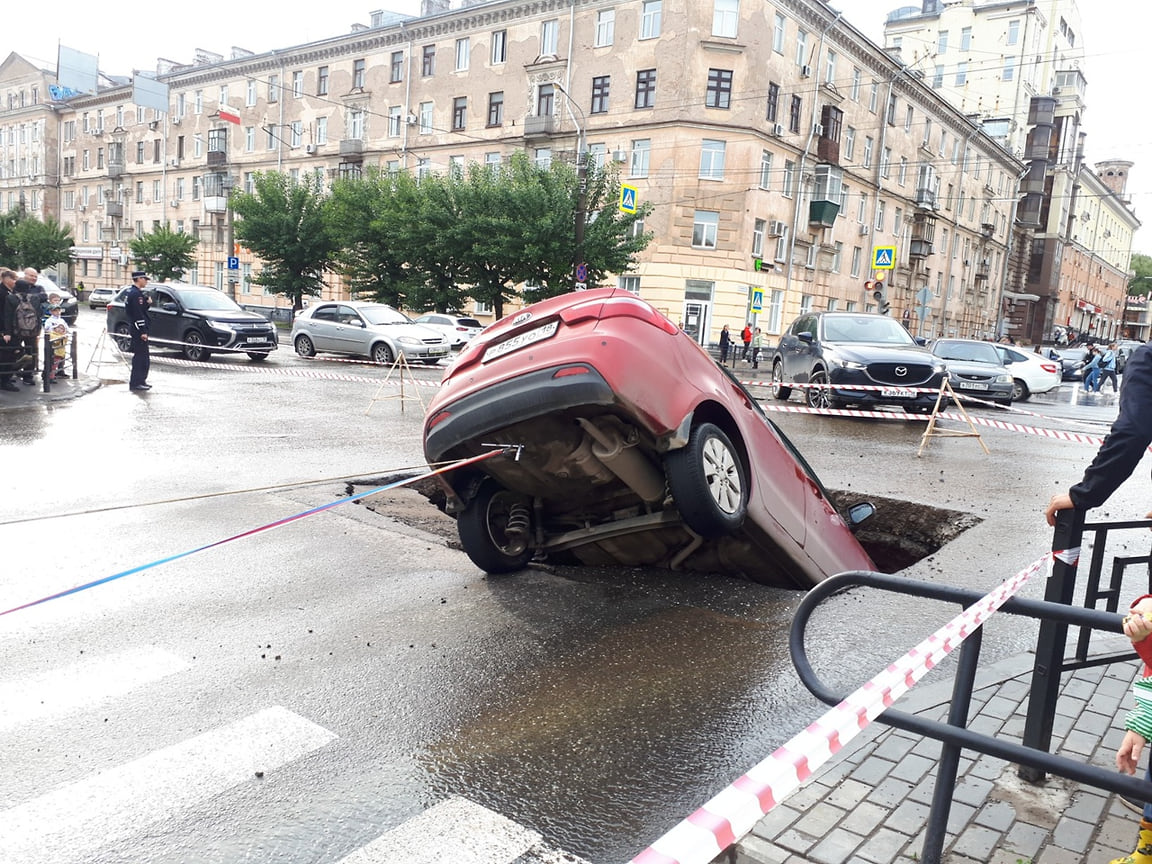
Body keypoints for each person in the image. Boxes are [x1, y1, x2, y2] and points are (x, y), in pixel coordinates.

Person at [11, 277, 45, 385]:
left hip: (16, 330)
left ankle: (12, 371)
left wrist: (8, 331)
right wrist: (37, 329)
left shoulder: (11, 298)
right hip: (31, 331)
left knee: (14, 350)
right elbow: (39, 314)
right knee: (32, 352)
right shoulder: (34, 298)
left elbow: (8, 316)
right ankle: (28, 376)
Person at [125, 270, 152, 391]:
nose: (146, 281)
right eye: (145, 279)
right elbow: (137, 314)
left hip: (137, 328)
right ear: (139, 279)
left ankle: (140, 381)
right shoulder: (136, 294)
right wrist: (142, 331)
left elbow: (141, 309)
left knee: (143, 357)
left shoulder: (133, 292)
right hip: (138, 329)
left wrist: (147, 303)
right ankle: (136, 382)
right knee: (140, 357)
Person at [0, 268, 23, 391]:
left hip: (10, 329)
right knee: (7, 355)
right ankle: (4, 380)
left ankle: (6, 377)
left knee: (12, 354)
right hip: (5, 331)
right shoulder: (2, 293)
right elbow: (3, 314)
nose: (15, 281)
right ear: (6, 279)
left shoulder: (10, 292)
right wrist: (4, 331)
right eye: (14, 279)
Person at [42, 298, 69, 380]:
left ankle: (60, 371)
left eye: (58, 310)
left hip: (61, 342)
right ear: (51, 311)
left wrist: (65, 333)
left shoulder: (62, 320)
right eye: (55, 311)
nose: (57, 312)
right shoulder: (49, 321)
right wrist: (55, 332)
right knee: (52, 359)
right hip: (53, 342)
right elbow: (47, 330)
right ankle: (48, 375)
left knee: (61, 357)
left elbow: (67, 329)